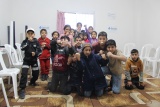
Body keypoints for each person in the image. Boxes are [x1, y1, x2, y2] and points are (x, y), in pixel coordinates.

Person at [19, 28, 42, 99]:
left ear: (34, 34)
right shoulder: (25, 41)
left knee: (36, 74)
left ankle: (32, 81)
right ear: (26, 34)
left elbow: (40, 50)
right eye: (28, 33)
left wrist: (35, 53)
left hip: (34, 60)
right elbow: (22, 48)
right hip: (26, 60)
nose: (30, 35)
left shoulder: (36, 41)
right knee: (24, 73)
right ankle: (22, 89)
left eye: (32, 33)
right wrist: (28, 42)